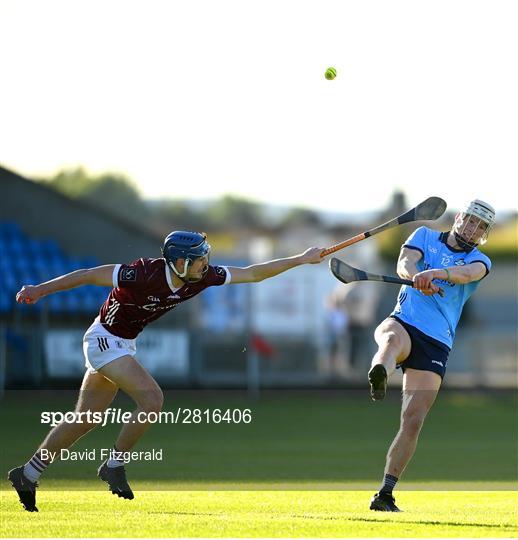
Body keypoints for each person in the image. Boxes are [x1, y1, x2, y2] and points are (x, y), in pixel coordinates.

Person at [8, 231, 324, 512]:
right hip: (103, 339)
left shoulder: (202, 277)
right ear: (180, 262)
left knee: (86, 419)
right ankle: (114, 465)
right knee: (152, 399)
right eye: (200, 259)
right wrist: (40, 290)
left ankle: (27, 474)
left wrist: (302, 258)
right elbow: (90, 275)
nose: (206, 264)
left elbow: (254, 274)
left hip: (123, 344)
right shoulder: (142, 273)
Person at [367, 200, 495, 512]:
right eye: (471, 220)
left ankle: (385, 493)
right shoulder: (423, 235)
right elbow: (404, 263)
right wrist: (415, 277)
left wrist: (437, 274)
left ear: (483, 234)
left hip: (436, 342)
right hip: (405, 321)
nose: (473, 228)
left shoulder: (480, 259)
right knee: (390, 340)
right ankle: (381, 373)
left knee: (413, 420)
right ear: (460, 218)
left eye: (481, 226)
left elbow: (466, 274)